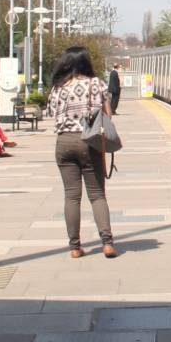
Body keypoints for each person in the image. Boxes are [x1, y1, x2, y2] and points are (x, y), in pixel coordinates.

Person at [48, 46, 117, 259]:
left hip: (64, 143)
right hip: (89, 142)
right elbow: (108, 114)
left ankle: (75, 247)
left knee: (71, 196)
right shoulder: (96, 84)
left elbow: (51, 112)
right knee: (97, 195)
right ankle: (107, 243)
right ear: (86, 62)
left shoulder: (57, 87)